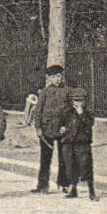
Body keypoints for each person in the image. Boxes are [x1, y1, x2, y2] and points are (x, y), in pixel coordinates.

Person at [32, 65, 70, 193]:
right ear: (49, 78)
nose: (57, 79)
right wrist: (38, 127)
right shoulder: (45, 92)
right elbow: (38, 111)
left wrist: (66, 126)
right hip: (46, 129)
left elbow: (71, 111)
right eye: (54, 77)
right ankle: (42, 186)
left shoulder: (68, 91)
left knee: (64, 158)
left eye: (59, 76)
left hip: (62, 129)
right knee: (45, 159)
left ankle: (64, 184)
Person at [57, 88, 97, 201]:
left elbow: (89, 124)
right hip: (68, 142)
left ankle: (91, 191)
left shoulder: (88, 112)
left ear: (85, 101)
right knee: (70, 167)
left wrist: (81, 114)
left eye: (80, 100)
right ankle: (73, 189)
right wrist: (62, 129)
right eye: (75, 100)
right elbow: (60, 123)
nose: (78, 103)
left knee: (86, 166)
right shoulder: (66, 111)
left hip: (82, 142)